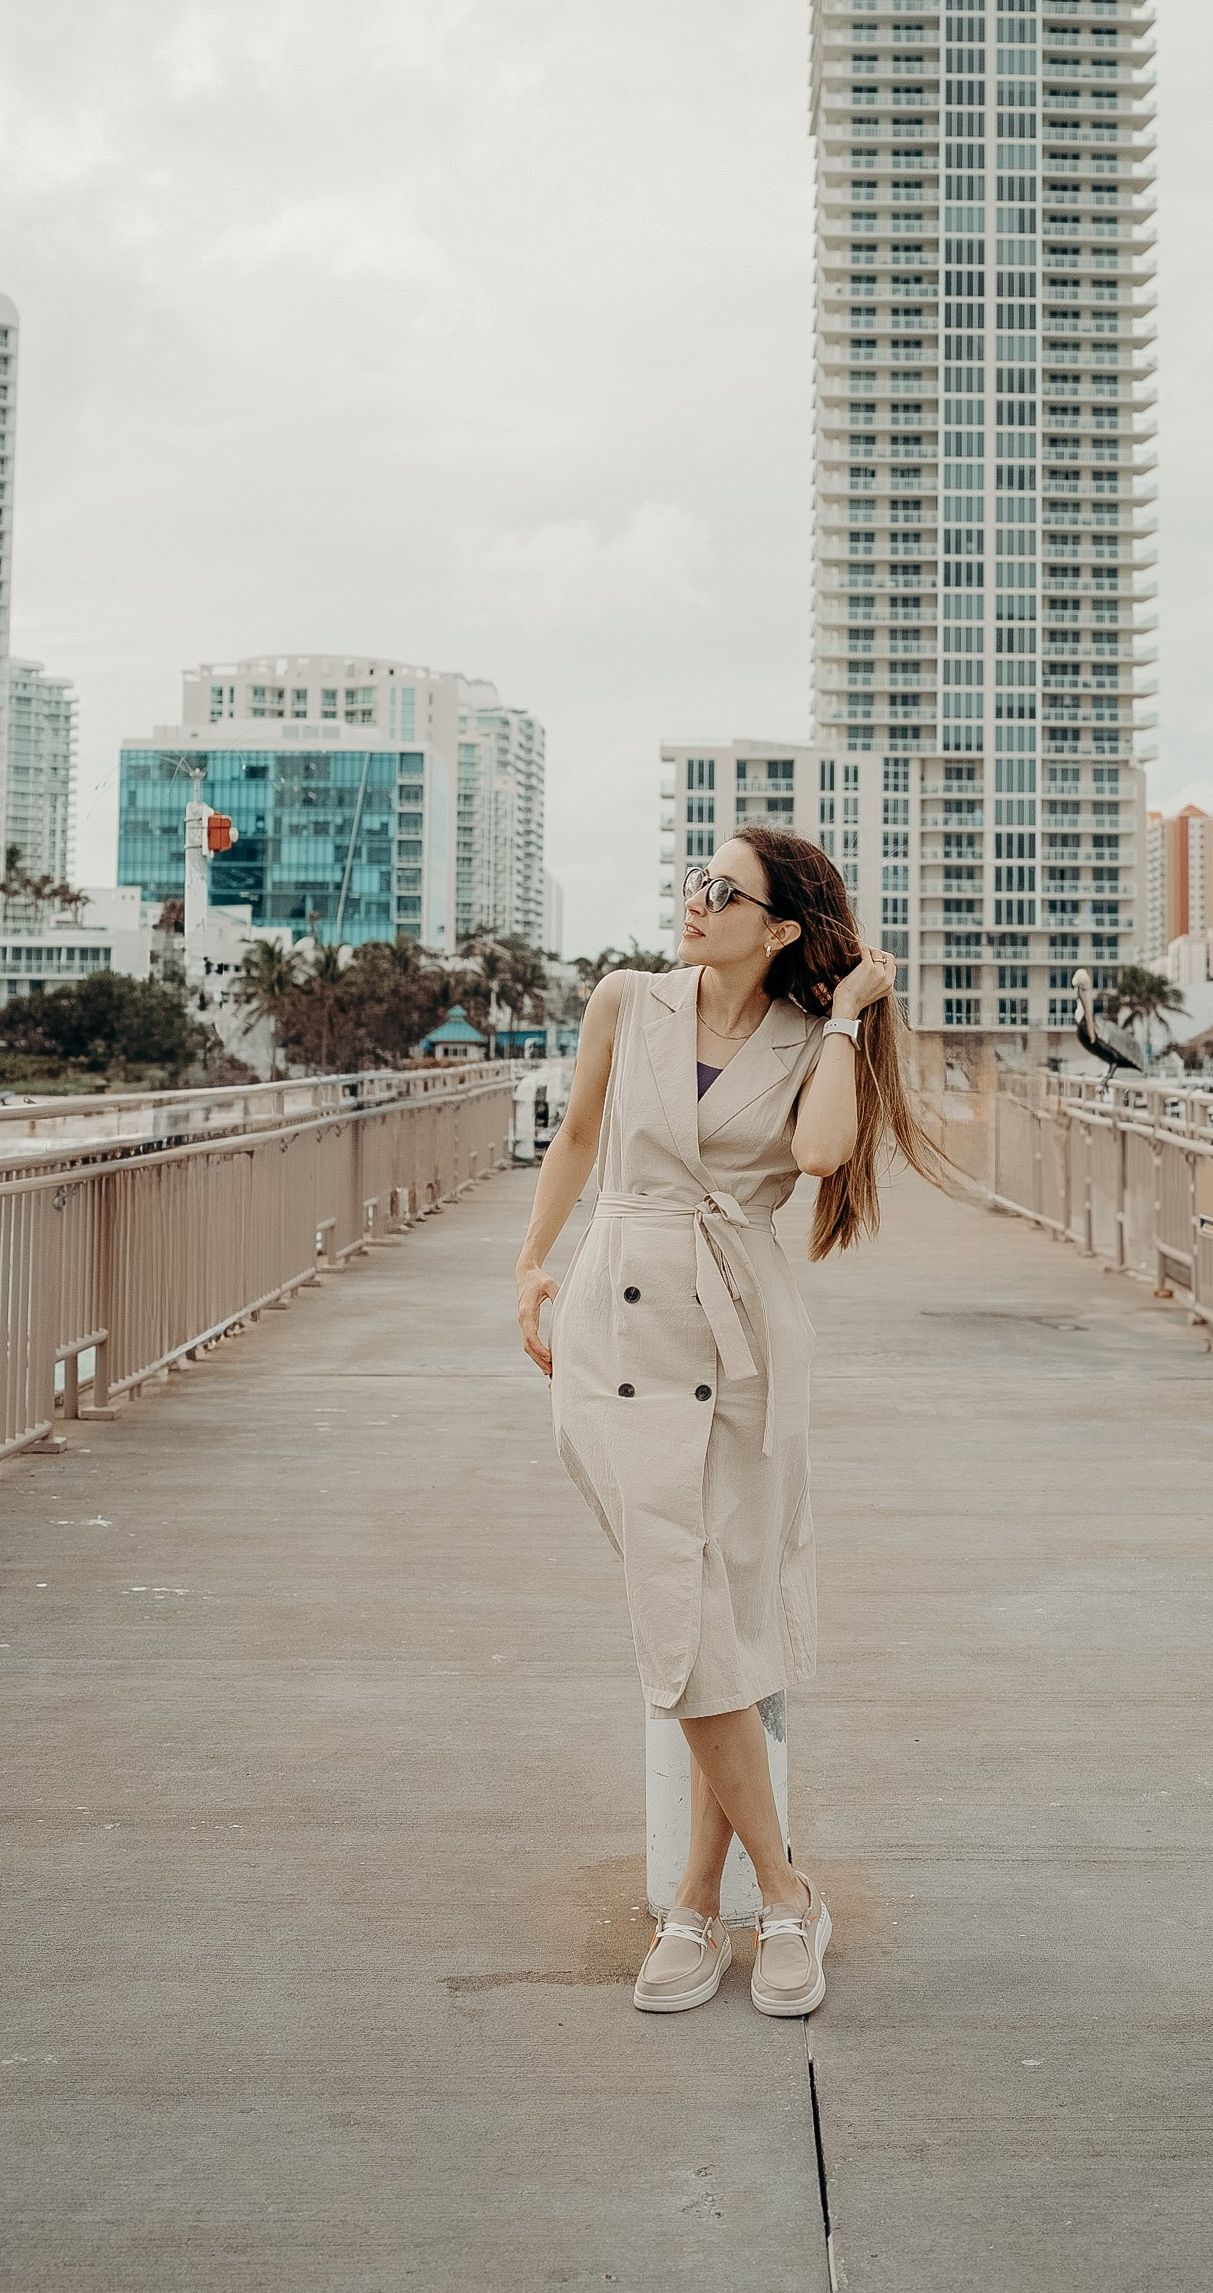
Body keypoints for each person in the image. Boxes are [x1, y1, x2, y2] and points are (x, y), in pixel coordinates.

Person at [515, 826, 936, 2017]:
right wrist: (528, 1265)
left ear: (780, 928)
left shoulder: (814, 1042)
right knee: (679, 1599)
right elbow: (579, 1138)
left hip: (740, 1334)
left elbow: (814, 1155)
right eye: (693, 877)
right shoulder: (625, 1001)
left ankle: (698, 1905)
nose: (692, 899)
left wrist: (851, 1011)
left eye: (722, 890)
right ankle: (789, 1890)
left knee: (722, 1615)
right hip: (613, 1324)